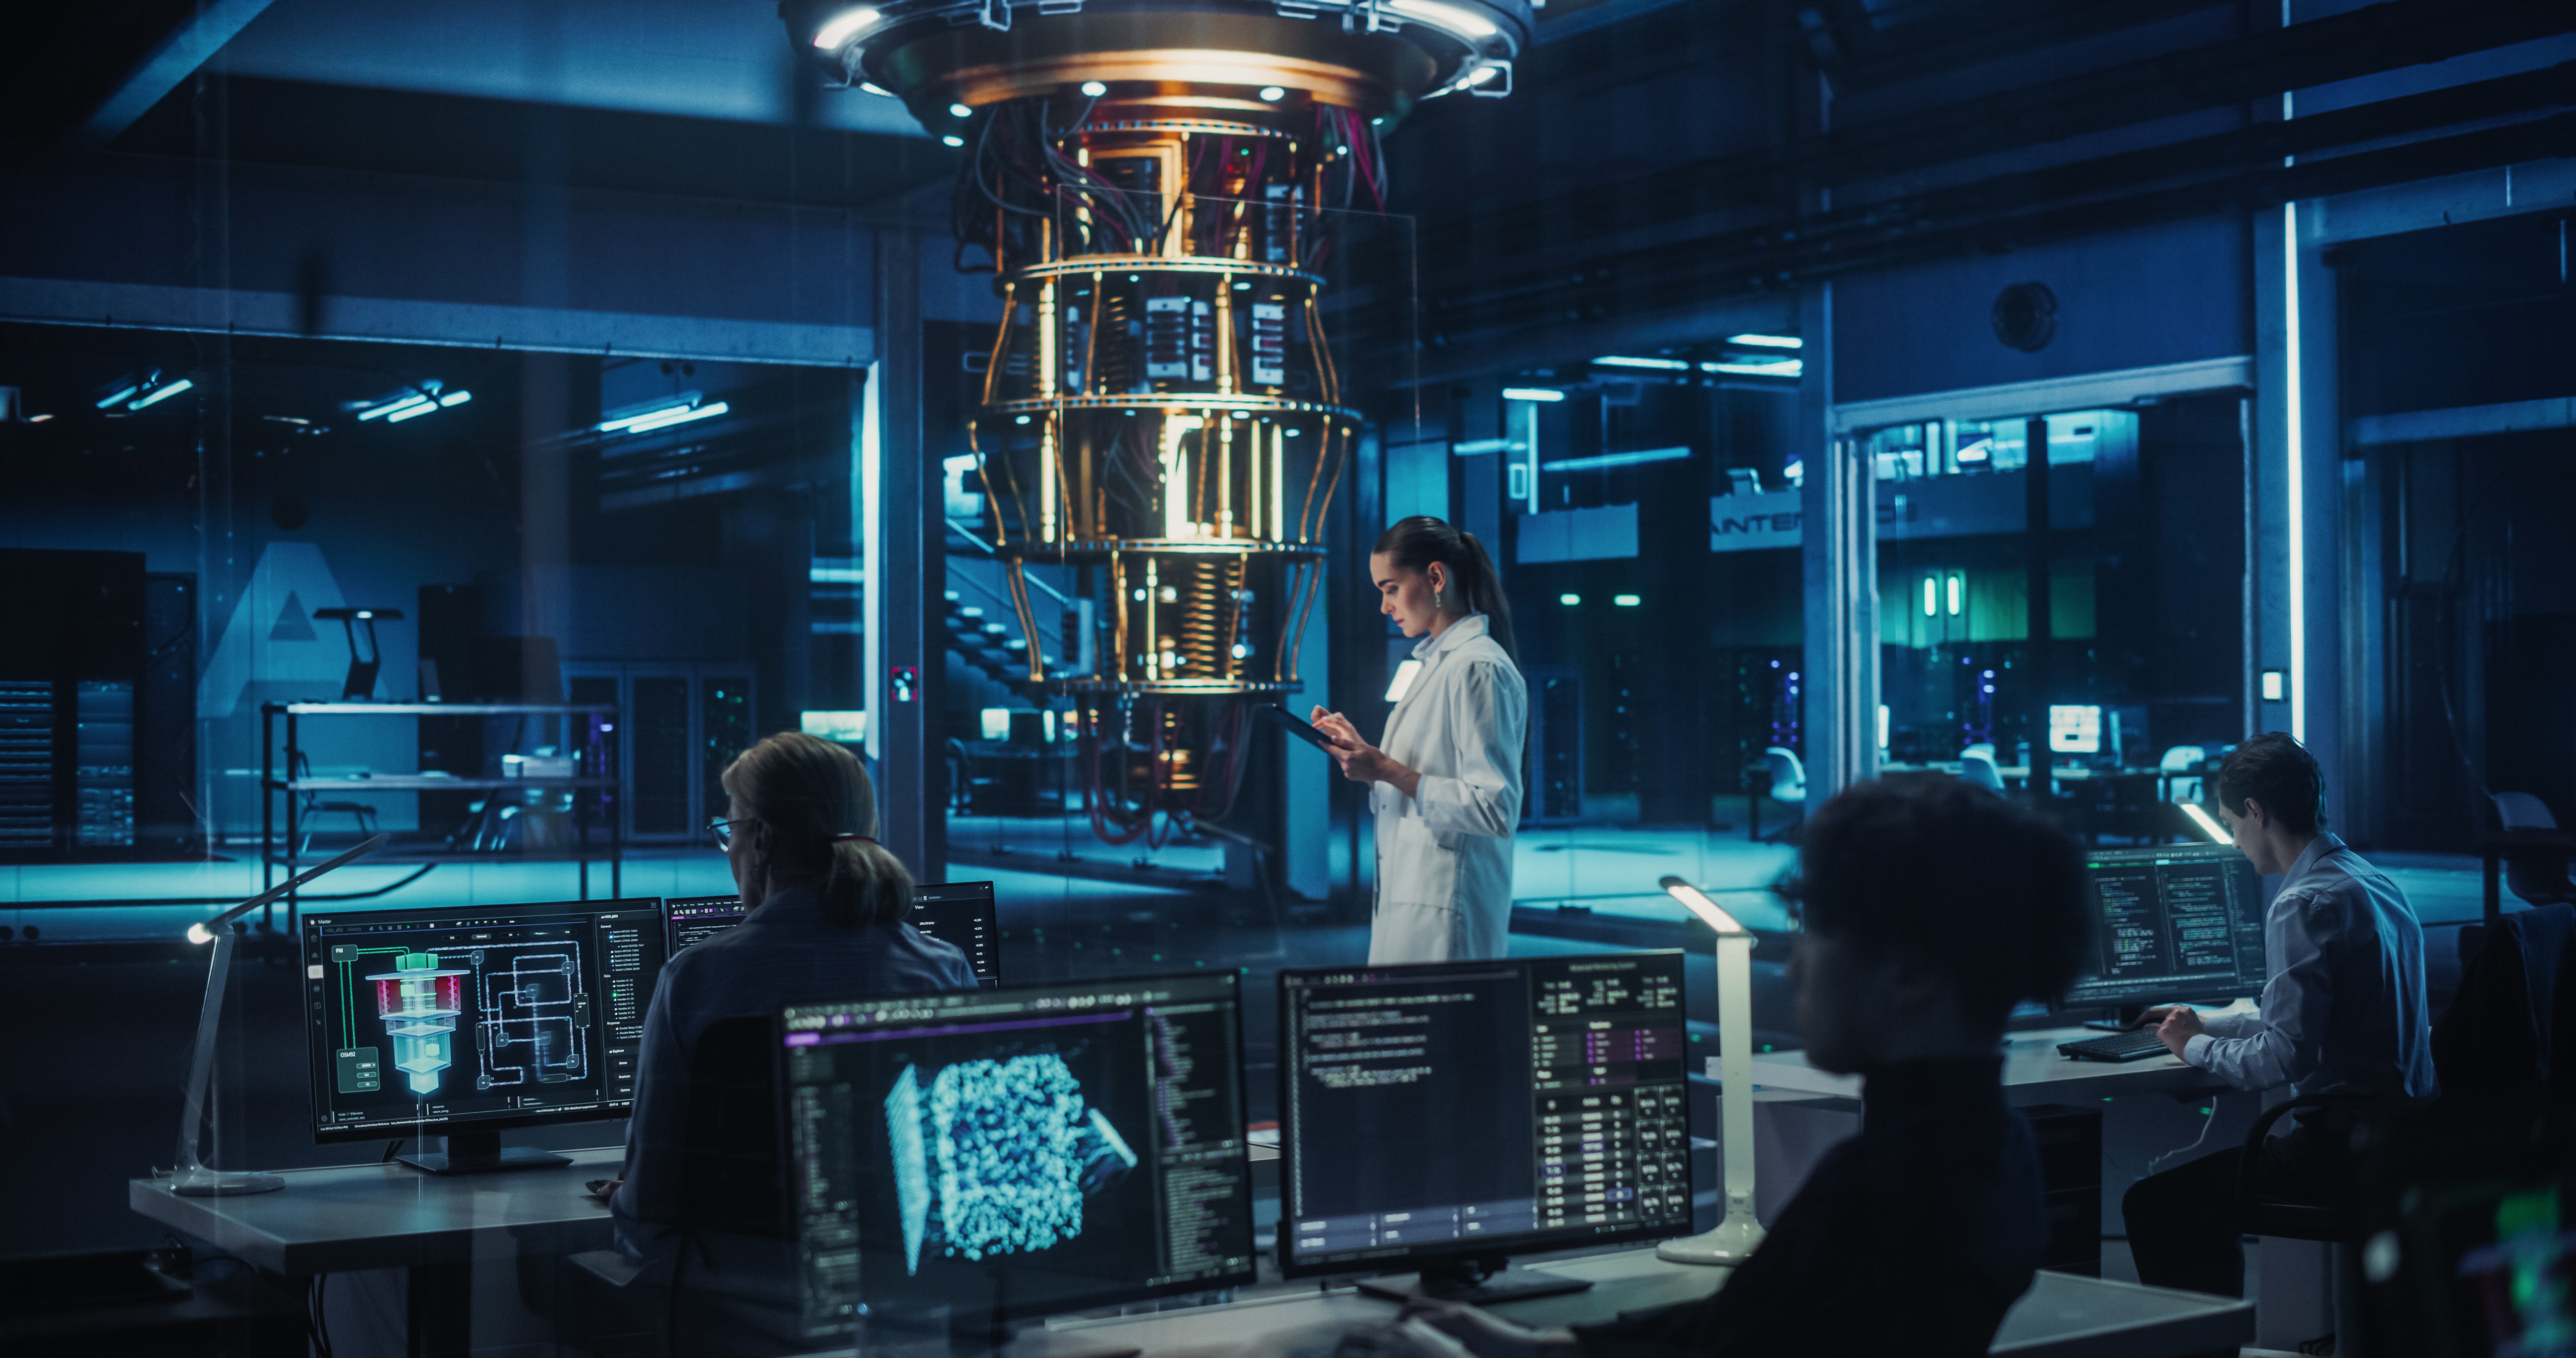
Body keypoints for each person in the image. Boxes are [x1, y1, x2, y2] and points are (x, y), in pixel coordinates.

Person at [1405, 779, 2094, 1358]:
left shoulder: (1878, 1191)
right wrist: (1530, 1348)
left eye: (1816, 933)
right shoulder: (1996, 1153)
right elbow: (1743, 1327)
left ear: (1911, 973)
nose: (1794, 969)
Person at [606, 731, 976, 1265]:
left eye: (730, 831)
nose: (729, 851)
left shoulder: (694, 978)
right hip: (900, 1292)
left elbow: (649, 1217)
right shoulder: (942, 970)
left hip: (734, 1296)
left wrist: (625, 1199)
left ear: (761, 840)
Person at [2121, 731, 2438, 1297]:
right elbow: (2309, 1019)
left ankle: (2209, 1338)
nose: (2234, 840)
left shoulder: (2301, 903)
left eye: (2231, 823)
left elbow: (2285, 1055)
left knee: (2156, 1204)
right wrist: (2202, 1025)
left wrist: (2193, 1048)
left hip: (2338, 1151)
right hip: (2406, 1138)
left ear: (2256, 811)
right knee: (2187, 1200)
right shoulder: (2374, 883)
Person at [1310, 516, 1527, 964]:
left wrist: (1387, 769)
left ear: (1436, 577)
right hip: (1415, 902)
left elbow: (1496, 808)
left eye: (1391, 588)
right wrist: (1369, 760)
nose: (1384, 606)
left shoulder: (1477, 668)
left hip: (1448, 917)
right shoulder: (1439, 665)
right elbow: (1421, 782)